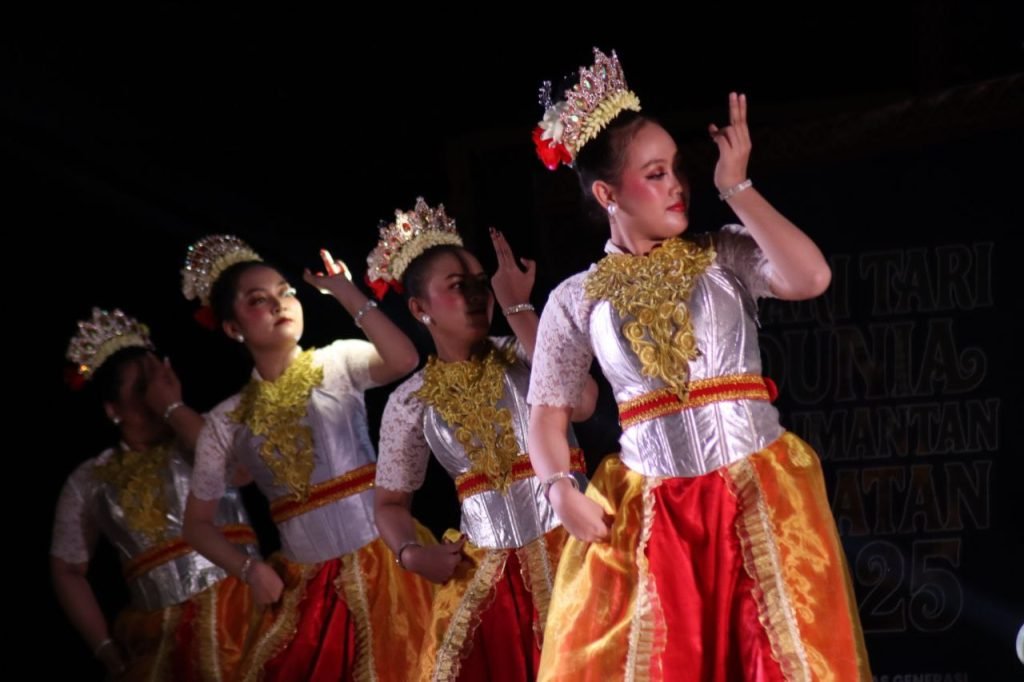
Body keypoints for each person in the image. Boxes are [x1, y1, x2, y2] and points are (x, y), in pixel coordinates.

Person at [527, 49, 871, 681]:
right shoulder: (576, 298)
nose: (677, 186)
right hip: (653, 515)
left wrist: (736, 187)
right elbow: (546, 414)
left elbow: (810, 277)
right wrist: (558, 489)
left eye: (677, 170)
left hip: (755, 494)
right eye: (655, 174)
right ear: (607, 193)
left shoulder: (722, 255)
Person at [180, 235, 434, 681]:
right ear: (233, 328)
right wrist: (249, 570)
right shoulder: (225, 421)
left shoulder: (337, 362)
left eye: (286, 292)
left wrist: (345, 292)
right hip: (307, 587)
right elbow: (196, 525)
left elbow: (404, 358)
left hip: (390, 562)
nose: (278, 304)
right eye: (258, 300)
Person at [369, 198, 598, 680]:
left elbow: (582, 402)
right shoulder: (410, 401)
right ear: (419, 309)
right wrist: (412, 554)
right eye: (458, 287)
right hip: (487, 577)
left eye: (481, 284)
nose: (477, 296)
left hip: (576, 548)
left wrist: (518, 307)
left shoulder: (526, 348)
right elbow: (390, 503)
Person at [53, 307, 258, 681]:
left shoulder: (200, 432)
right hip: (163, 641)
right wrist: (105, 648)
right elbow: (66, 568)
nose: (153, 398)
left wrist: (174, 407)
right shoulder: (90, 479)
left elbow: (242, 471)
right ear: (113, 409)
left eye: (157, 383)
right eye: (140, 390)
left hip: (249, 611)